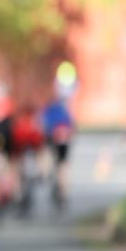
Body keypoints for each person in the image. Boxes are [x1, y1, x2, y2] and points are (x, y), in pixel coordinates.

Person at [41, 61, 77, 211]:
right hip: (65, 131)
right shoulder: (72, 94)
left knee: (51, 158)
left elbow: (43, 118)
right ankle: (62, 191)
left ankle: (49, 176)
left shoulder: (53, 96)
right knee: (63, 164)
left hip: (54, 130)